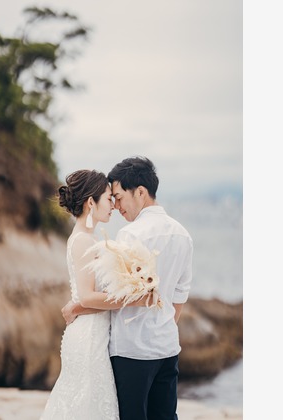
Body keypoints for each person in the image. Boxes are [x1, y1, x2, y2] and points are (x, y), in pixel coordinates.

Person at [61, 156, 193, 420]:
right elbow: (179, 297)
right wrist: (162, 328)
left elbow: (119, 295)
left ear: (141, 192)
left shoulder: (130, 235)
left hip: (132, 352)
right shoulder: (183, 235)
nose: (117, 206)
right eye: (112, 199)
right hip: (167, 348)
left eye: (119, 197)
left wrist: (78, 306)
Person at [40, 169, 151, 420]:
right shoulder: (83, 241)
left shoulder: (87, 238)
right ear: (91, 202)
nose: (113, 205)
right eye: (108, 198)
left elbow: (86, 295)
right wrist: (133, 298)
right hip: (88, 337)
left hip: (95, 334)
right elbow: (87, 297)